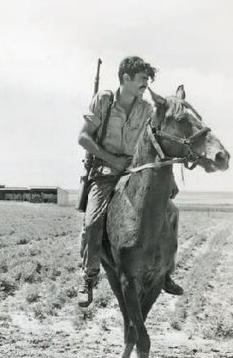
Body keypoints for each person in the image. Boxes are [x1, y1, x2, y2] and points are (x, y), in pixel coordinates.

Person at [77, 56, 184, 307]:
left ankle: (166, 271)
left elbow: (157, 135)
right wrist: (112, 160)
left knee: (171, 211)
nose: (146, 84)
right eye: (142, 79)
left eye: (147, 80)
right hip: (104, 172)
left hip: (135, 173)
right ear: (126, 78)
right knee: (93, 221)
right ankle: (88, 277)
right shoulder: (104, 100)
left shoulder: (146, 109)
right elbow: (83, 137)